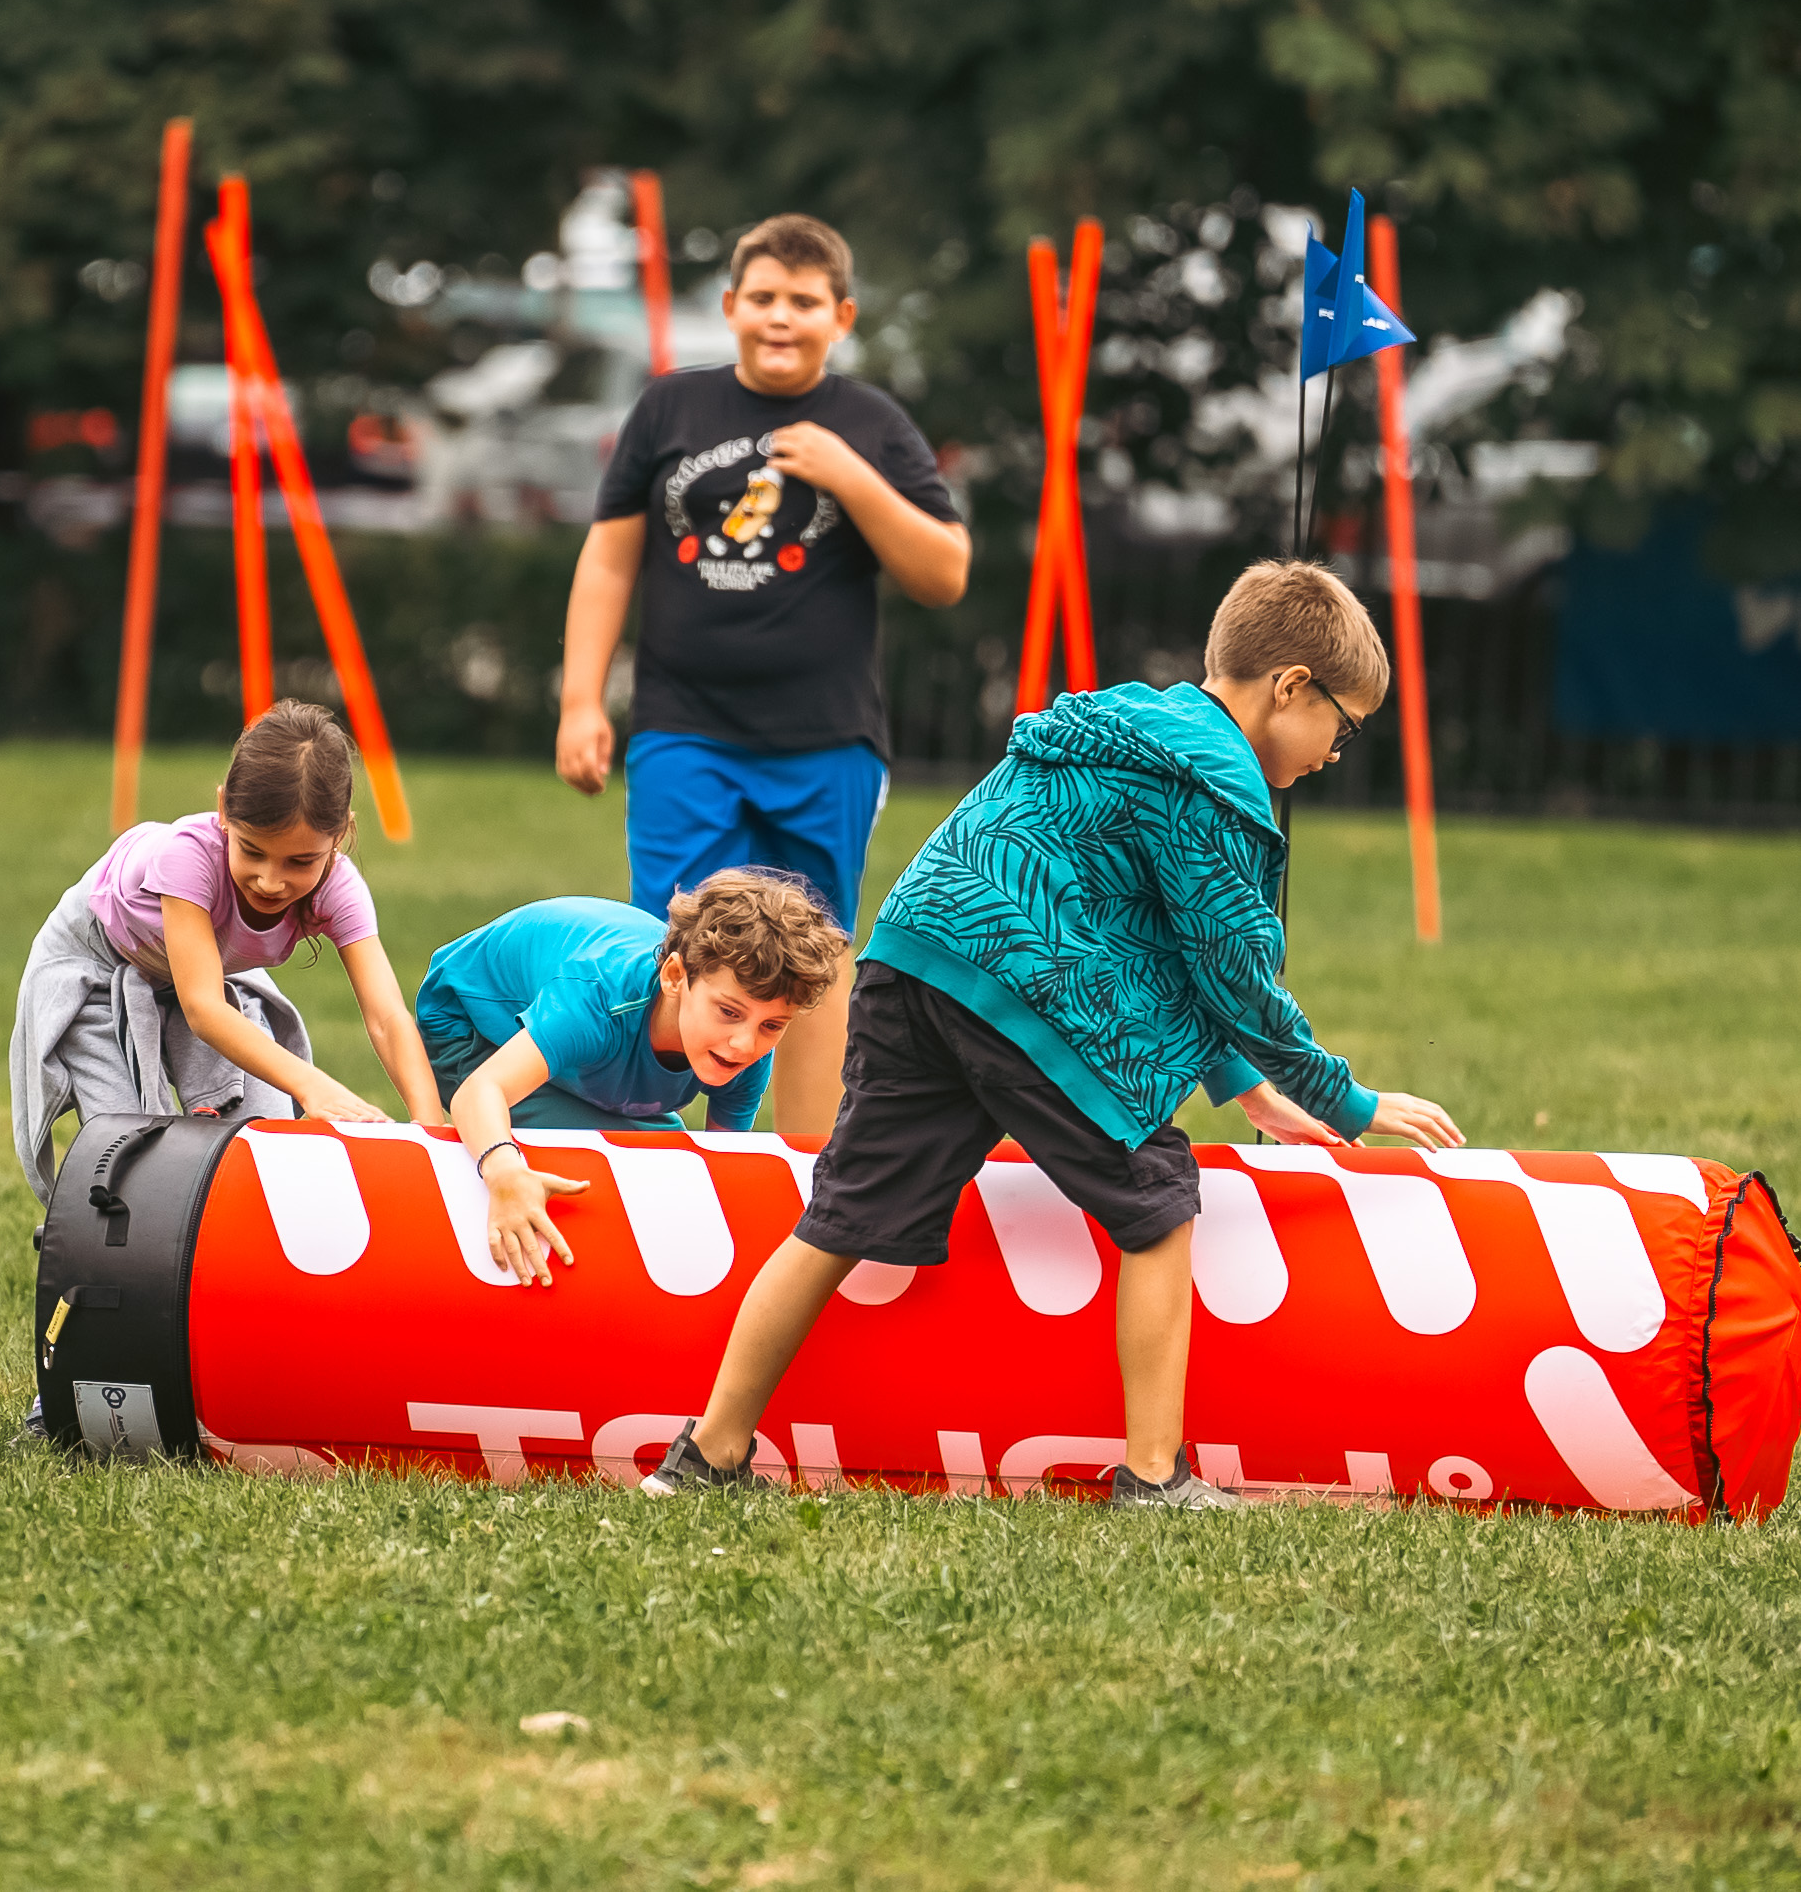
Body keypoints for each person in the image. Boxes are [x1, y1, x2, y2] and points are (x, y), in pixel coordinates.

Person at [641, 559, 1464, 1509]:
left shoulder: (1120, 726)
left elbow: (1161, 942)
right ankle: (1154, 1476)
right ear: (1290, 688)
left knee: (837, 1217)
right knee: (1156, 1196)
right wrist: (1343, 1098)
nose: (1332, 752)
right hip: (1021, 979)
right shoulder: (1212, 780)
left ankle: (707, 1454)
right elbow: (1233, 967)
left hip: (911, 963)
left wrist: (1244, 1088)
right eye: (1343, 727)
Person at [554, 212, 970, 1137]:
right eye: (766, 299)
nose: (783, 318)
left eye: (806, 302)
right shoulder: (669, 409)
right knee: (673, 938)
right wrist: (583, 699)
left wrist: (852, 477)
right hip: (682, 728)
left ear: (842, 316)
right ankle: (645, 1139)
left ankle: (806, 1164)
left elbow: (943, 574)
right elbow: (609, 560)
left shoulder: (868, 424)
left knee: (811, 959)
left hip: (827, 744)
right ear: (732, 305)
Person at [10, 700, 443, 1202]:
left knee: (266, 1132)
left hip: (202, 975)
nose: (270, 880)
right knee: (126, 1147)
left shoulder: (340, 890)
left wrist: (430, 1133)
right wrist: (314, 1086)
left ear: (340, 834)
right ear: (223, 811)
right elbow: (204, 1010)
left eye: (300, 861)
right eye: (252, 850)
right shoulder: (187, 855)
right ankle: (109, 1264)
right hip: (100, 968)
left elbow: (387, 1017)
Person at [418, 871, 848, 1285]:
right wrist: (504, 1173)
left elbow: (724, 1168)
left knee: (670, 1165)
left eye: (773, 1026)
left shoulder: (748, 1051)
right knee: (621, 1172)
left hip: (576, 1060)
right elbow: (481, 1091)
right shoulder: (597, 1005)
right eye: (728, 1012)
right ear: (676, 976)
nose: (743, 1044)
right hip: (472, 1030)